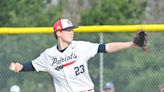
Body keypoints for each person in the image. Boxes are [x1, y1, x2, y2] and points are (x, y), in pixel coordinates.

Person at [9, 18, 146, 92]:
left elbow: (106, 47)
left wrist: (132, 44)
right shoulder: (48, 55)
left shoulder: (80, 47)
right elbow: (32, 65)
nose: (72, 32)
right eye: (68, 30)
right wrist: (19, 66)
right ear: (58, 33)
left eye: (72, 29)